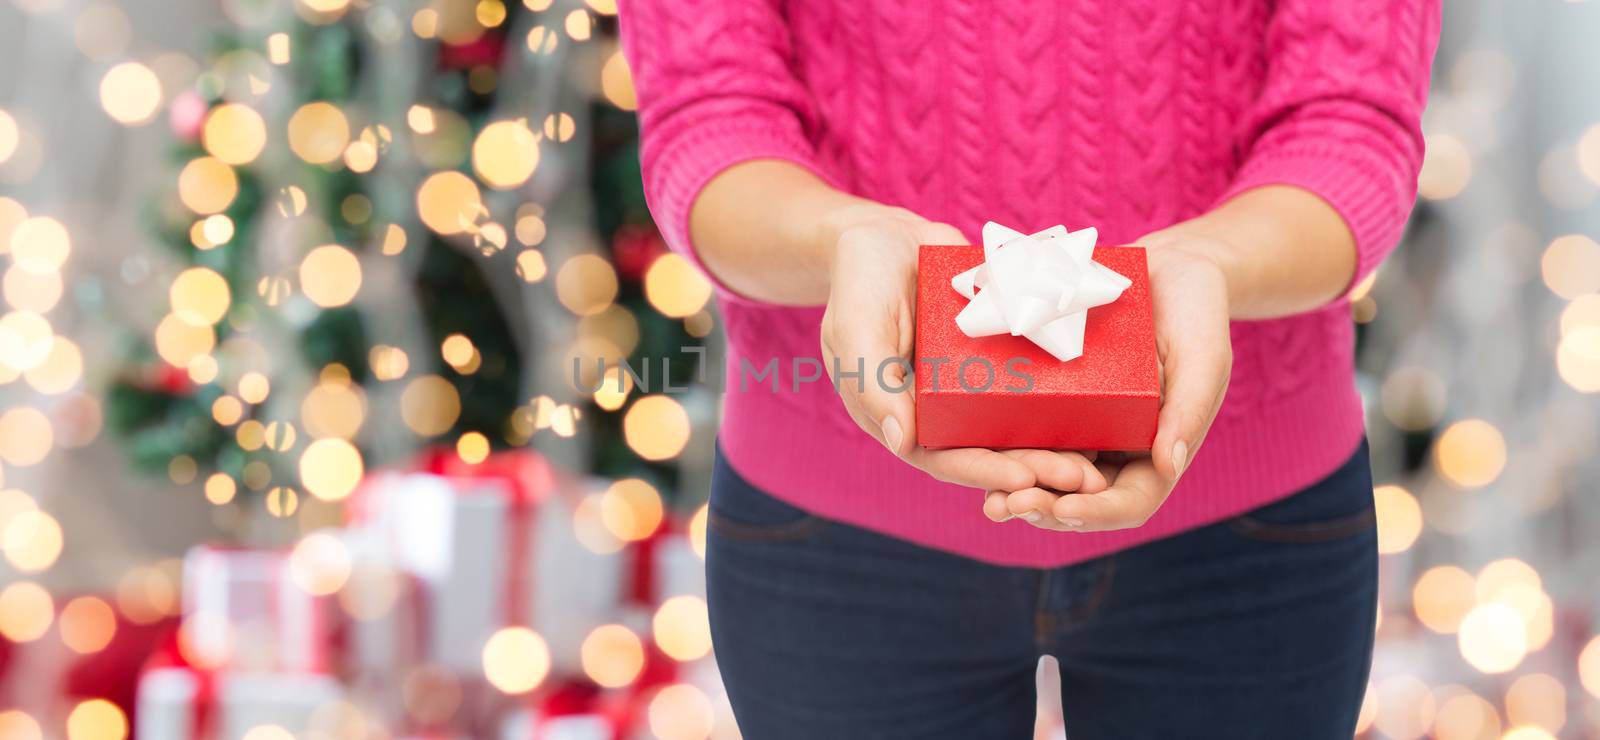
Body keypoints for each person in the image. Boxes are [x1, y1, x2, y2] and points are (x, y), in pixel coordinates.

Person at [618, 1, 1439, 737]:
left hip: (1251, 522)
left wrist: (1213, 262)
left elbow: (1351, 123)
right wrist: (841, 239)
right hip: (832, 522)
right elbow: (709, 115)